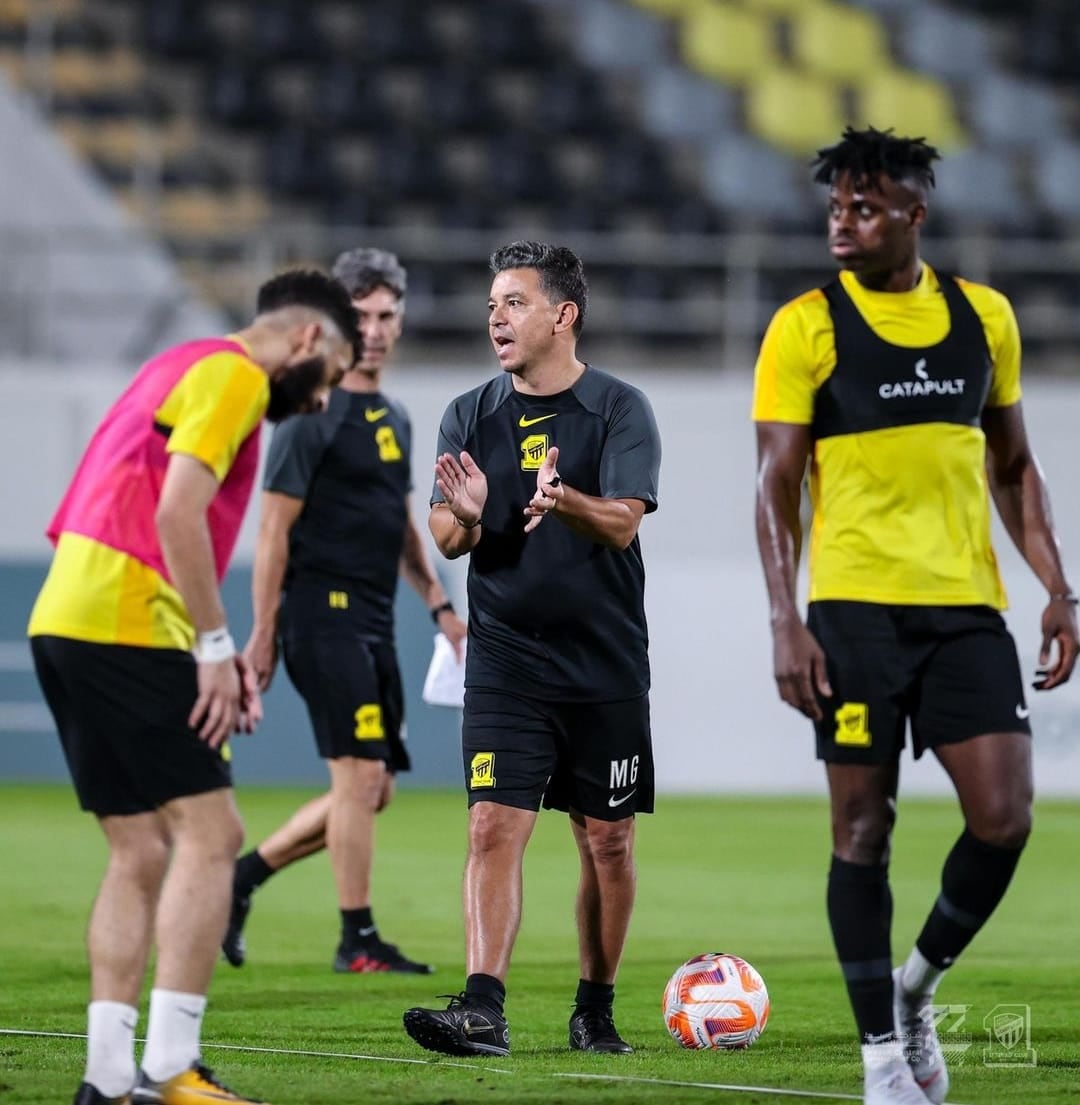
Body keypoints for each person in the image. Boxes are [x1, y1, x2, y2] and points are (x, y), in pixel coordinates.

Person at [752, 126, 1078, 1105]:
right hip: (852, 609)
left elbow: (1015, 468)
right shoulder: (804, 325)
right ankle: (881, 1064)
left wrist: (1060, 587)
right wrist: (784, 617)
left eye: (864, 208)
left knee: (1006, 816)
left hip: (965, 605)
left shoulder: (986, 318)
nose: (842, 223)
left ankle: (915, 986)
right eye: (836, 207)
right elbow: (773, 488)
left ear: (913, 215)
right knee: (862, 829)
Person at [28, 271, 359, 1105]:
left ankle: (105, 1080)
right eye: (333, 377)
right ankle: (171, 1067)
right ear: (309, 343)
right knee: (213, 836)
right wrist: (214, 647)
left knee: (138, 850)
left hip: (67, 613)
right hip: (126, 614)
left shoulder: (176, 362)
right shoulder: (238, 374)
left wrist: (206, 645)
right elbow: (179, 510)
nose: (322, 403)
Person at [402, 240, 661, 1057]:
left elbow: (623, 521)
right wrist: (473, 514)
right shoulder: (469, 413)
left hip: (603, 661)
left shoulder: (620, 408)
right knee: (490, 825)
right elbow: (443, 534)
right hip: (507, 658)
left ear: (563, 315)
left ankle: (595, 1008)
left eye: (513, 302)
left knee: (608, 840)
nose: (495, 319)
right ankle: (483, 1008)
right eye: (490, 306)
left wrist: (566, 498)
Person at [223, 248, 467, 975]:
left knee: (375, 788)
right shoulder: (310, 411)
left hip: (372, 615)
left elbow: (399, 523)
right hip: (317, 611)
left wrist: (439, 604)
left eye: (387, 314)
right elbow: (272, 530)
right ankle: (356, 937)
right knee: (358, 778)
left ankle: (241, 878)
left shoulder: (393, 416)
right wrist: (262, 632)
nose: (376, 329)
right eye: (361, 315)